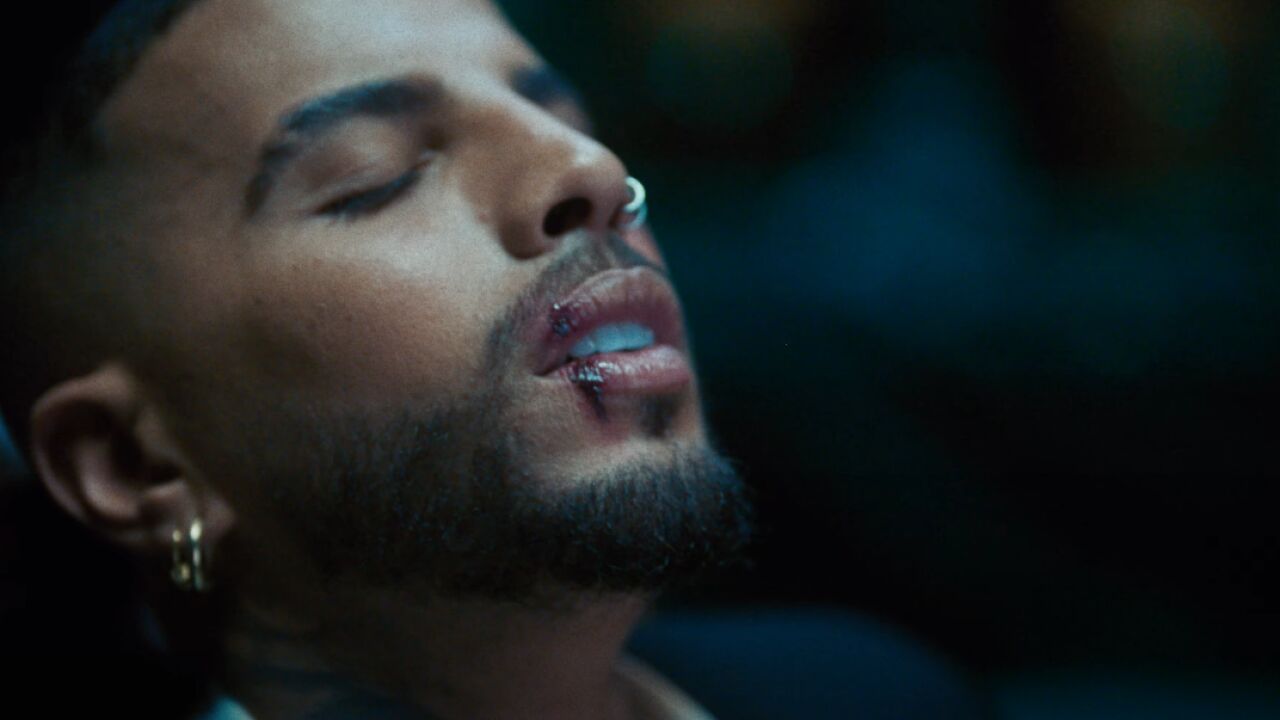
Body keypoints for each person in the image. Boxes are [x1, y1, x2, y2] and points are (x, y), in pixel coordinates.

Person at [0, 2, 990, 718]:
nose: (594, 173)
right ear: (137, 464)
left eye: (572, 123)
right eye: (374, 179)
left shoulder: (869, 692)